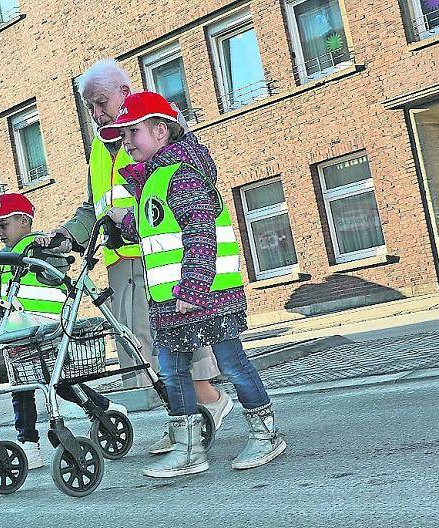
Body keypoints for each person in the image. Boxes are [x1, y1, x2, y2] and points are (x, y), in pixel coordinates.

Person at [36, 60, 232, 456]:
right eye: (90, 107)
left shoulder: (150, 132)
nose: (95, 114)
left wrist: (137, 219)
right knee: (143, 349)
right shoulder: (98, 149)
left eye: (101, 102)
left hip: (158, 254)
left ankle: (206, 405)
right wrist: (66, 234)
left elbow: (184, 183)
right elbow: (95, 207)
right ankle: (181, 417)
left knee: (171, 344)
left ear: (124, 92)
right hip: (120, 260)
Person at [99, 91, 286, 478]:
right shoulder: (153, 179)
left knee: (232, 363)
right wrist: (125, 220)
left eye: (134, 131)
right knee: (171, 371)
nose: (127, 140)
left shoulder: (181, 175)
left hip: (205, 296)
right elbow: (157, 226)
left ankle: (266, 434)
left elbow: (200, 233)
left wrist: (194, 289)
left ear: (161, 131)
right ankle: (188, 447)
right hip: (171, 301)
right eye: (124, 134)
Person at [0, 192, 127, 470]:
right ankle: (28, 443)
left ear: (24, 221)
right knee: (21, 389)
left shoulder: (39, 248)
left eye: (4, 225)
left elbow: (56, 268)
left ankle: (103, 409)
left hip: (45, 332)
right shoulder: (3, 259)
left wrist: (48, 246)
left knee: (58, 385)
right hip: (16, 334)